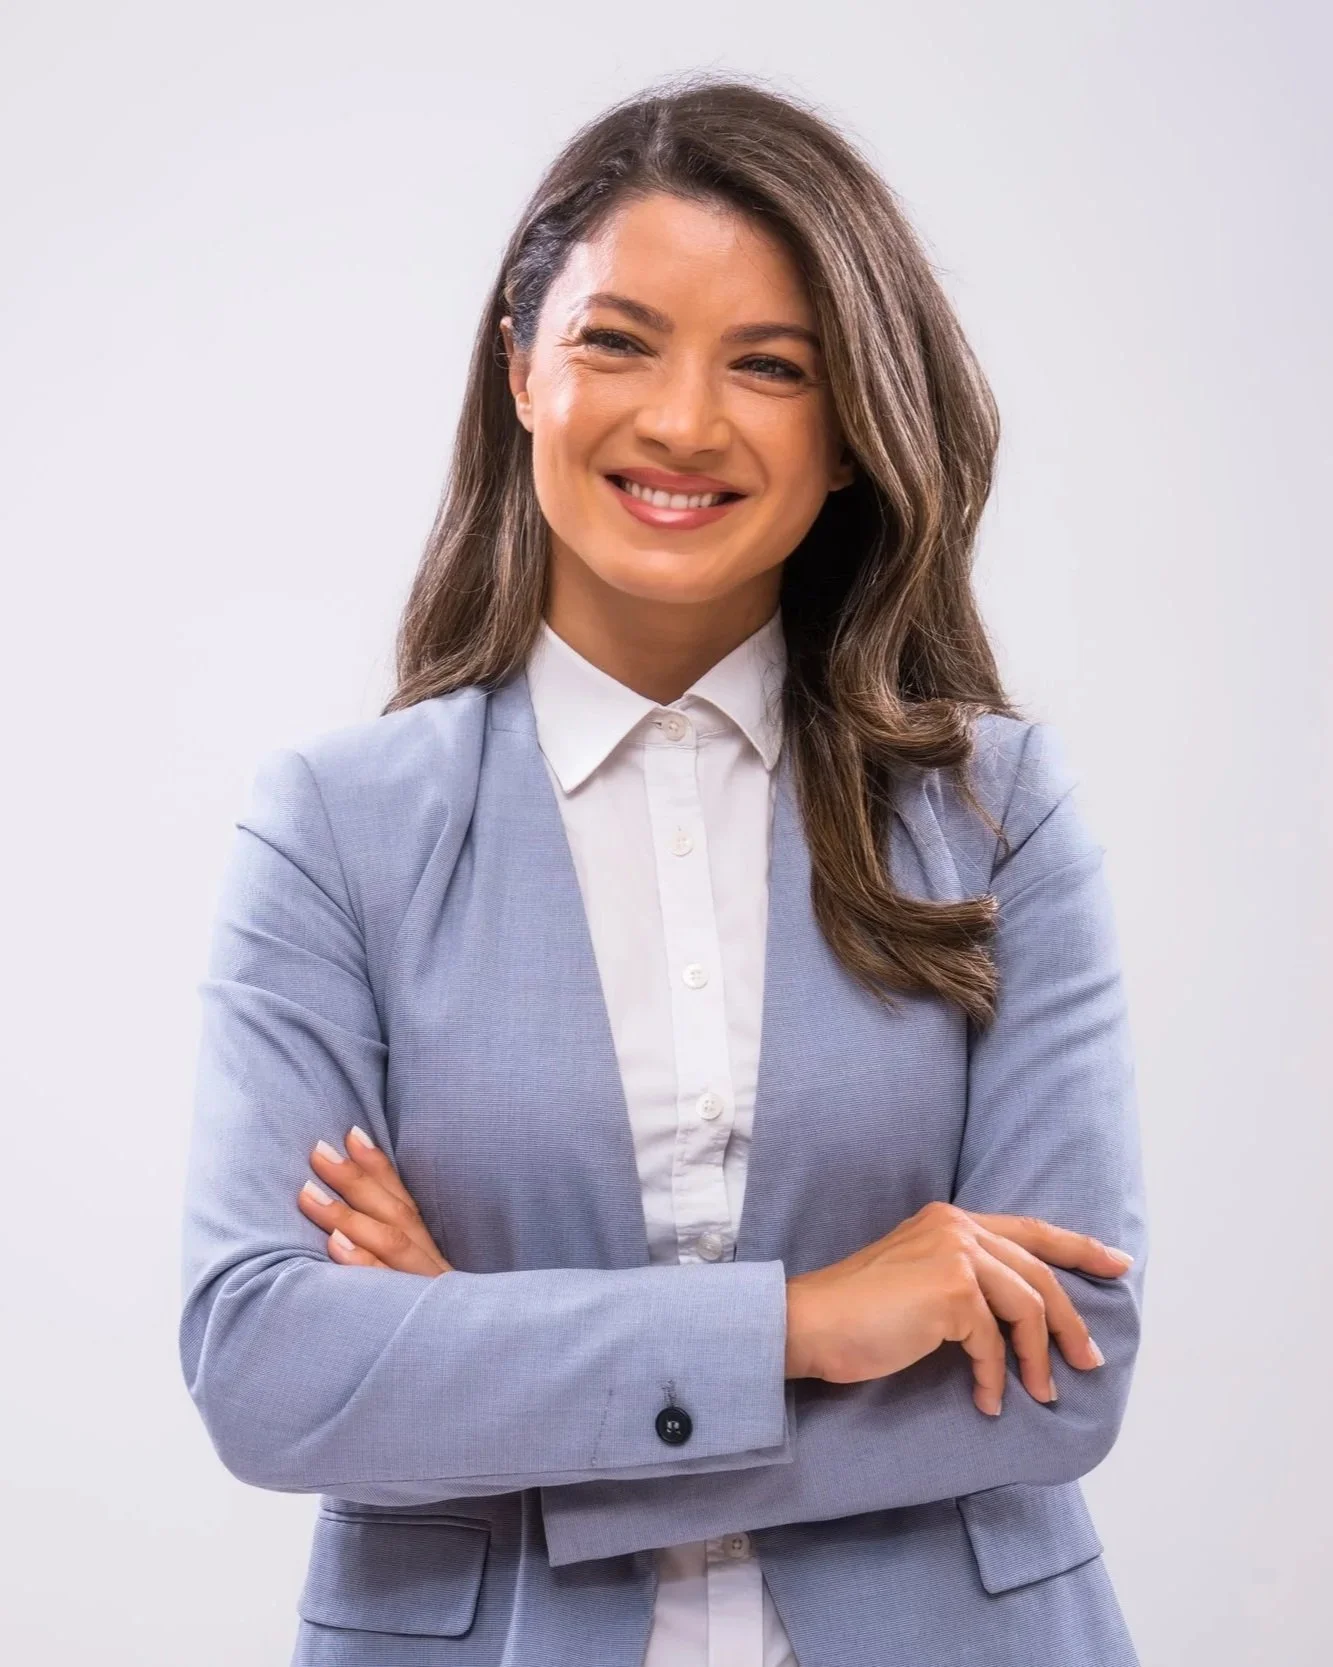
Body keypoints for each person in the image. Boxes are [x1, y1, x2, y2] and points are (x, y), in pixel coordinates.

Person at [179, 72, 1147, 1667]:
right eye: (618, 340)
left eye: (771, 366)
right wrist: (806, 1323)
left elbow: (1067, 1363)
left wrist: (482, 1367)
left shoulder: (997, 813)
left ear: (849, 435)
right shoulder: (337, 831)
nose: (685, 421)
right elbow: (271, 1367)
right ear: (519, 369)